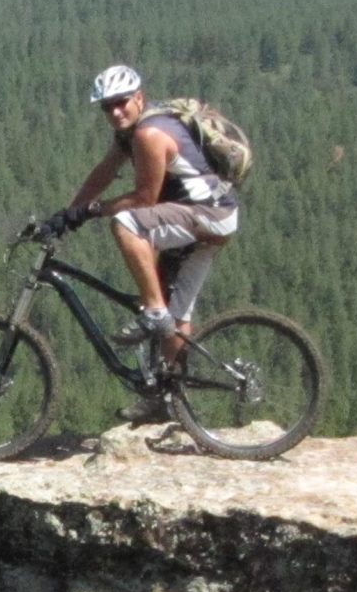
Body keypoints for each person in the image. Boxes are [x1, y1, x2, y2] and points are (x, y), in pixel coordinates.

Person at [55, 63, 239, 375]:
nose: (115, 112)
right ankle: (169, 396)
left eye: (121, 102)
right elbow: (104, 172)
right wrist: (66, 215)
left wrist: (91, 210)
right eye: (107, 107)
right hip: (215, 216)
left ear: (139, 97)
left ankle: (153, 312)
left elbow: (144, 200)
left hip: (207, 214)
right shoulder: (130, 134)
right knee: (175, 314)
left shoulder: (149, 134)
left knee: (127, 224)